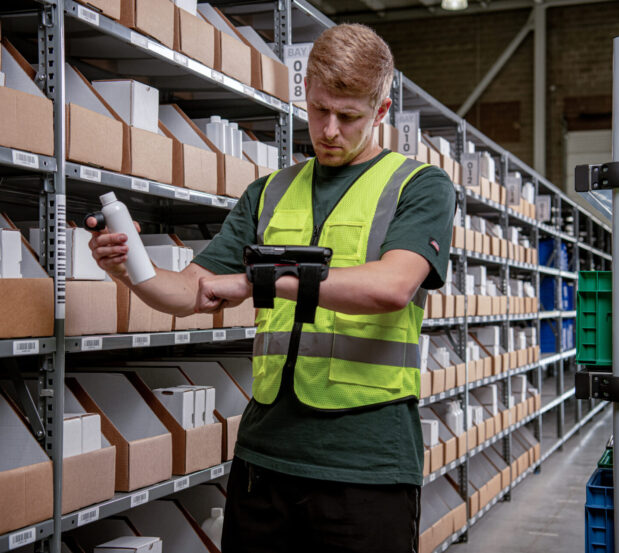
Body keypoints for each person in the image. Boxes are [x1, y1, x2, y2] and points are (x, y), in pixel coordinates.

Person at [88, 23, 455, 553]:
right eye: (319, 110)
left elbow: (392, 287)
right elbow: (195, 291)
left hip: (365, 463)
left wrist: (265, 281)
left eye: (348, 117)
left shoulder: (418, 186)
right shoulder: (270, 192)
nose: (328, 131)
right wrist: (131, 271)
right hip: (265, 457)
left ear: (380, 111)